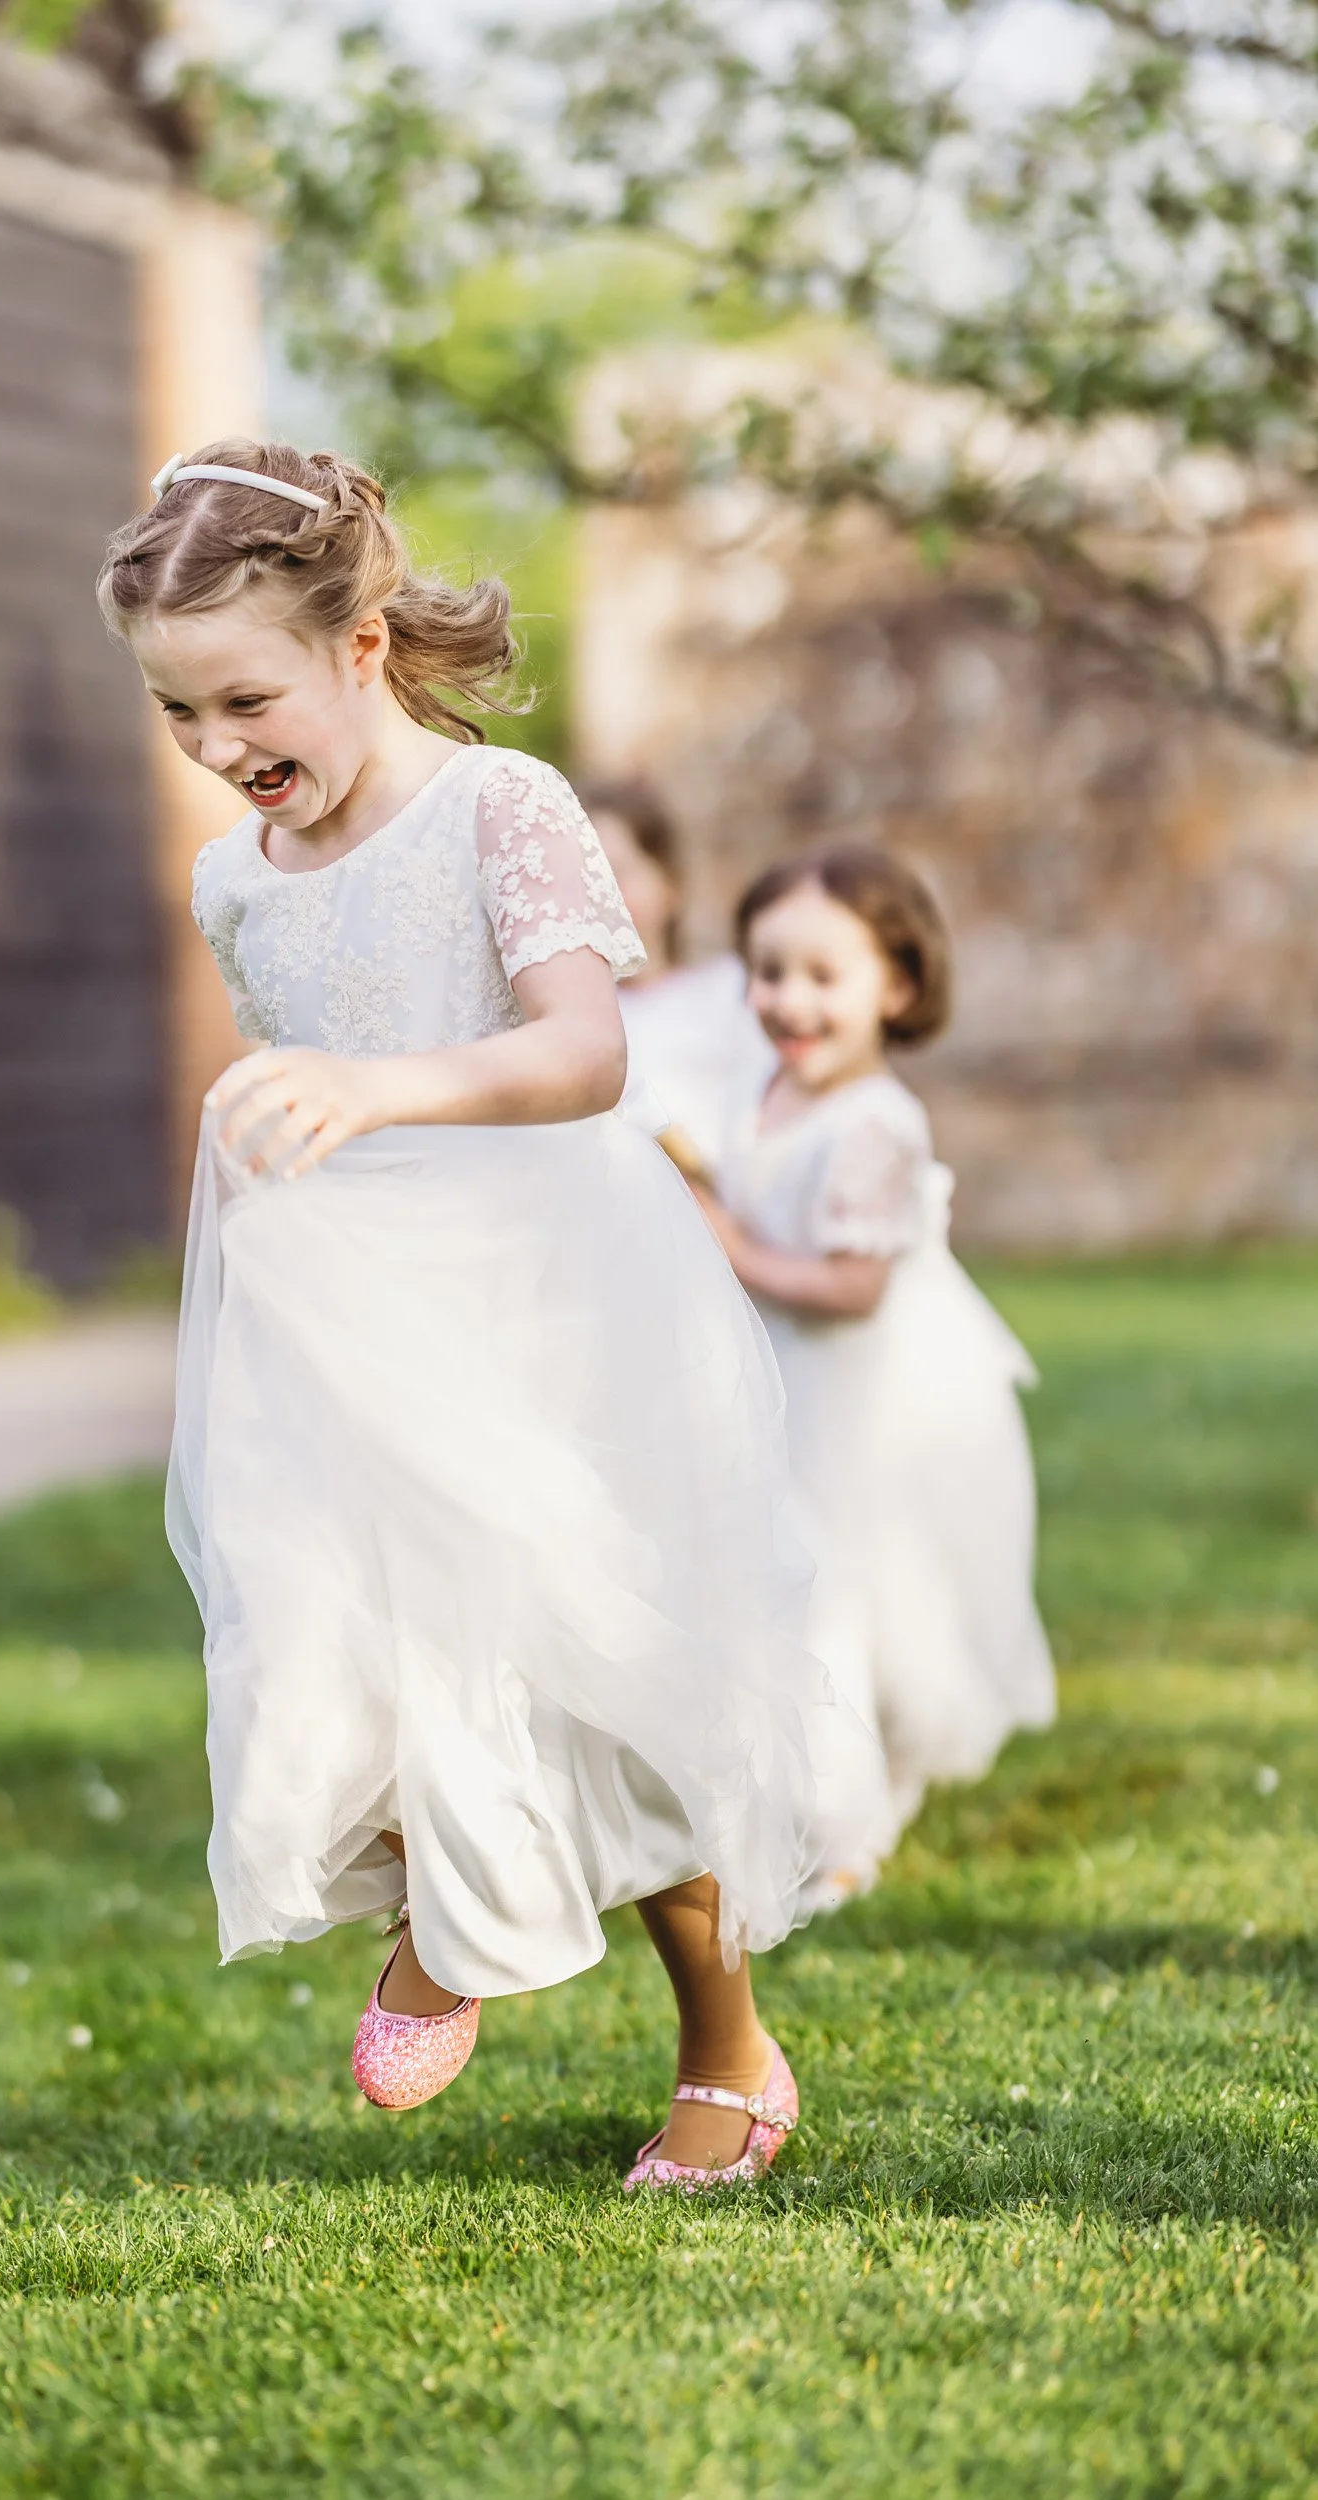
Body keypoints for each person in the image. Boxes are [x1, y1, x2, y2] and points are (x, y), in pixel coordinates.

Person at [97, 439, 882, 2190]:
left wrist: (378, 1089)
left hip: (544, 1297)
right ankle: (451, 1906)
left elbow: (581, 1049)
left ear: (358, 651)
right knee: (339, 1638)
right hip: (346, 1321)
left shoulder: (496, 809)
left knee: (608, 1661)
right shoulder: (238, 877)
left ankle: (727, 2050)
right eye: (178, 719)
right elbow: (286, 1067)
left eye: (241, 700)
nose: (220, 753)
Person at [702, 845, 1055, 1863]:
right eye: (769, 972)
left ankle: (846, 1817)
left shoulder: (878, 1124)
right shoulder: (763, 1088)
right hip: (776, 1375)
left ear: (897, 985)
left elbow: (854, 1289)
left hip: (864, 1388)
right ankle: (783, 1771)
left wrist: (733, 1249)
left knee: (842, 1578)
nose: (789, 1001)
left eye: (824, 976)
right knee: (772, 1566)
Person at [583, 779, 772, 1180]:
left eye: (615, 872)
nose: (597, 895)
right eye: (580, 879)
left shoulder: (727, 991)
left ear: (670, 884)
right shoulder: (579, 1016)